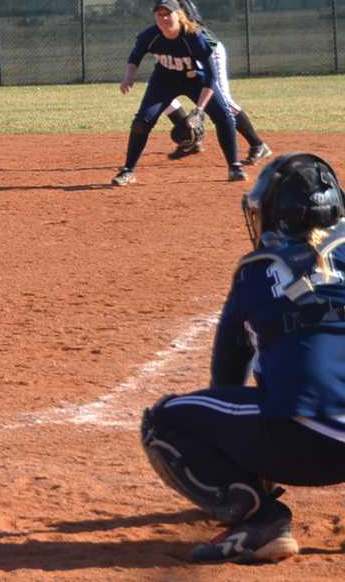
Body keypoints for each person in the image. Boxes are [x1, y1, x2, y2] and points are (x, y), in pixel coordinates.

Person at [140, 152, 345, 563]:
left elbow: (228, 374)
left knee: (162, 421)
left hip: (308, 447)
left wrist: (245, 462)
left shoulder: (257, 270)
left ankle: (261, 518)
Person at [148, 0, 271, 165]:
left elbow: (192, 34)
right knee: (162, 93)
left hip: (207, 52)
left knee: (224, 102)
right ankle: (191, 139)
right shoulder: (166, 1)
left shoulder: (180, 2)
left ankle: (257, 144)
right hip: (185, 55)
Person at [112, 0, 245, 186]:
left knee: (224, 116)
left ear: (179, 15)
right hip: (164, 80)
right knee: (141, 122)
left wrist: (199, 110)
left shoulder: (193, 36)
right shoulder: (150, 36)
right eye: (159, 15)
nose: (163, 19)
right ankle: (128, 171)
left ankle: (234, 166)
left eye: (168, 14)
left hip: (196, 79)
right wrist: (128, 77)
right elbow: (135, 56)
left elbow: (210, 76)